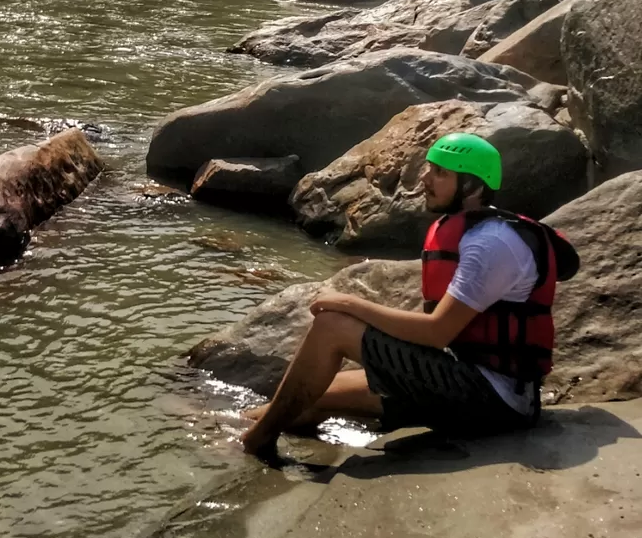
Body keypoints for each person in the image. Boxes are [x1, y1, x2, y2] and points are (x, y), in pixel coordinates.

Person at [240, 132, 578, 457]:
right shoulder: (472, 232)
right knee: (307, 396)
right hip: (466, 377)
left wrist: (349, 304)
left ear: (473, 186)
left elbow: (437, 332)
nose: (425, 181)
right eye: (430, 169)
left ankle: (257, 441)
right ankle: (235, 428)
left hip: (496, 400)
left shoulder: (490, 245)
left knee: (332, 326)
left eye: (440, 173)